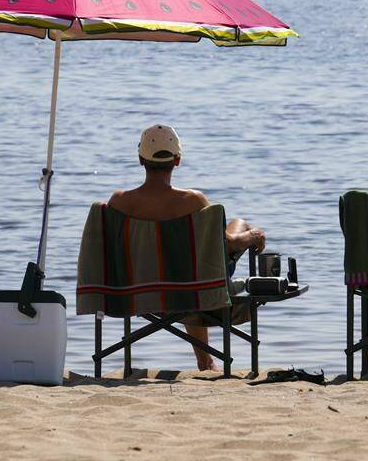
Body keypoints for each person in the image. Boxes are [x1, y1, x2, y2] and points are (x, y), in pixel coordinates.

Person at [107, 124, 267, 371]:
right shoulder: (194, 201)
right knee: (234, 232)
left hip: (135, 290)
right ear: (177, 160)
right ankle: (205, 360)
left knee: (187, 266)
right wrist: (253, 236)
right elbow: (229, 244)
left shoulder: (118, 202)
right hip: (192, 289)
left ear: (140, 159)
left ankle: (205, 359)